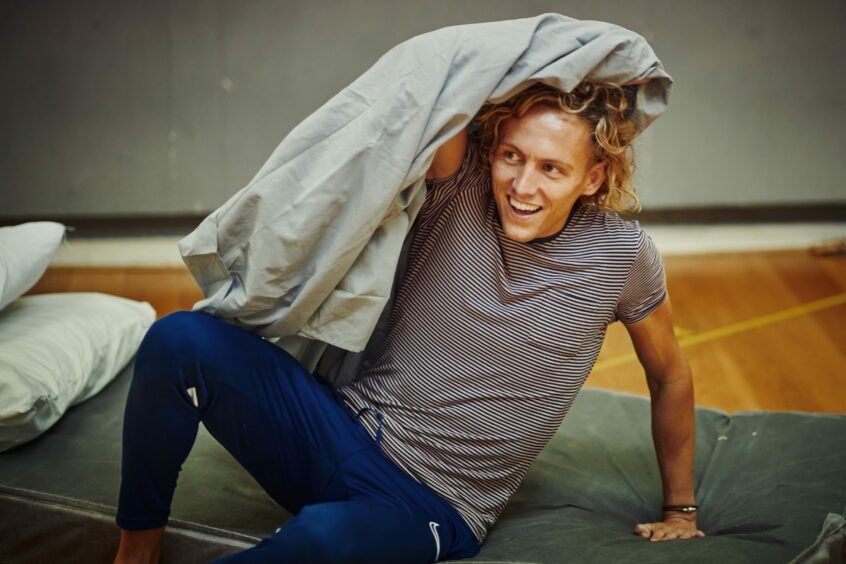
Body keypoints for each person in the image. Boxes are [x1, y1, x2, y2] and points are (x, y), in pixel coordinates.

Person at [113, 80, 704, 564]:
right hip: (340, 430)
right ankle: (135, 553)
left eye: (553, 168)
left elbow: (671, 376)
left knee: (323, 540)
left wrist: (681, 511)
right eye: (511, 156)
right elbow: (441, 78)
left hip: (431, 503)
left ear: (594, 177)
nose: (523, 185)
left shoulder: (622, 256)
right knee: (177, 339)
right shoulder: (461, 183)